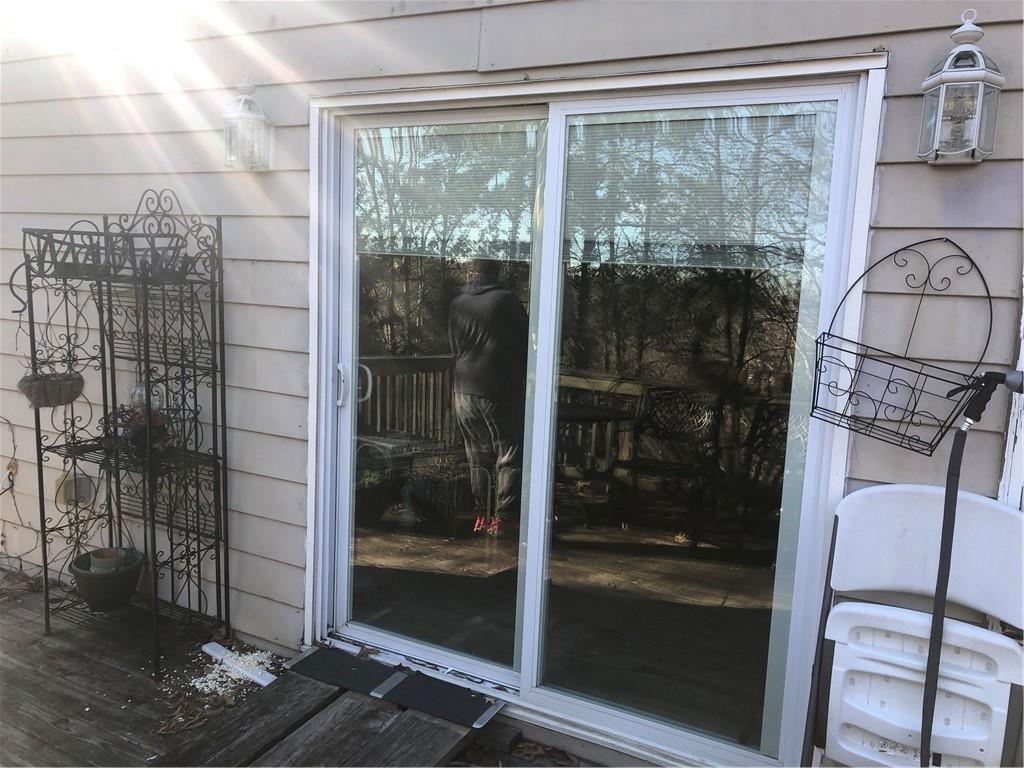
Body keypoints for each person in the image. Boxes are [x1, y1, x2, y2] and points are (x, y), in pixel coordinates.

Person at [448, 258, 529, 536]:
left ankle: (481, 515)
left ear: (472, 272)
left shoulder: (459, 302)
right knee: (508, 452)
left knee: (477, 454)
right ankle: (504, 519)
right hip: (498, 387)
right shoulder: (506, 300)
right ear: (497, 272)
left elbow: (454, 345)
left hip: (463, 389)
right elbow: (527, 342)